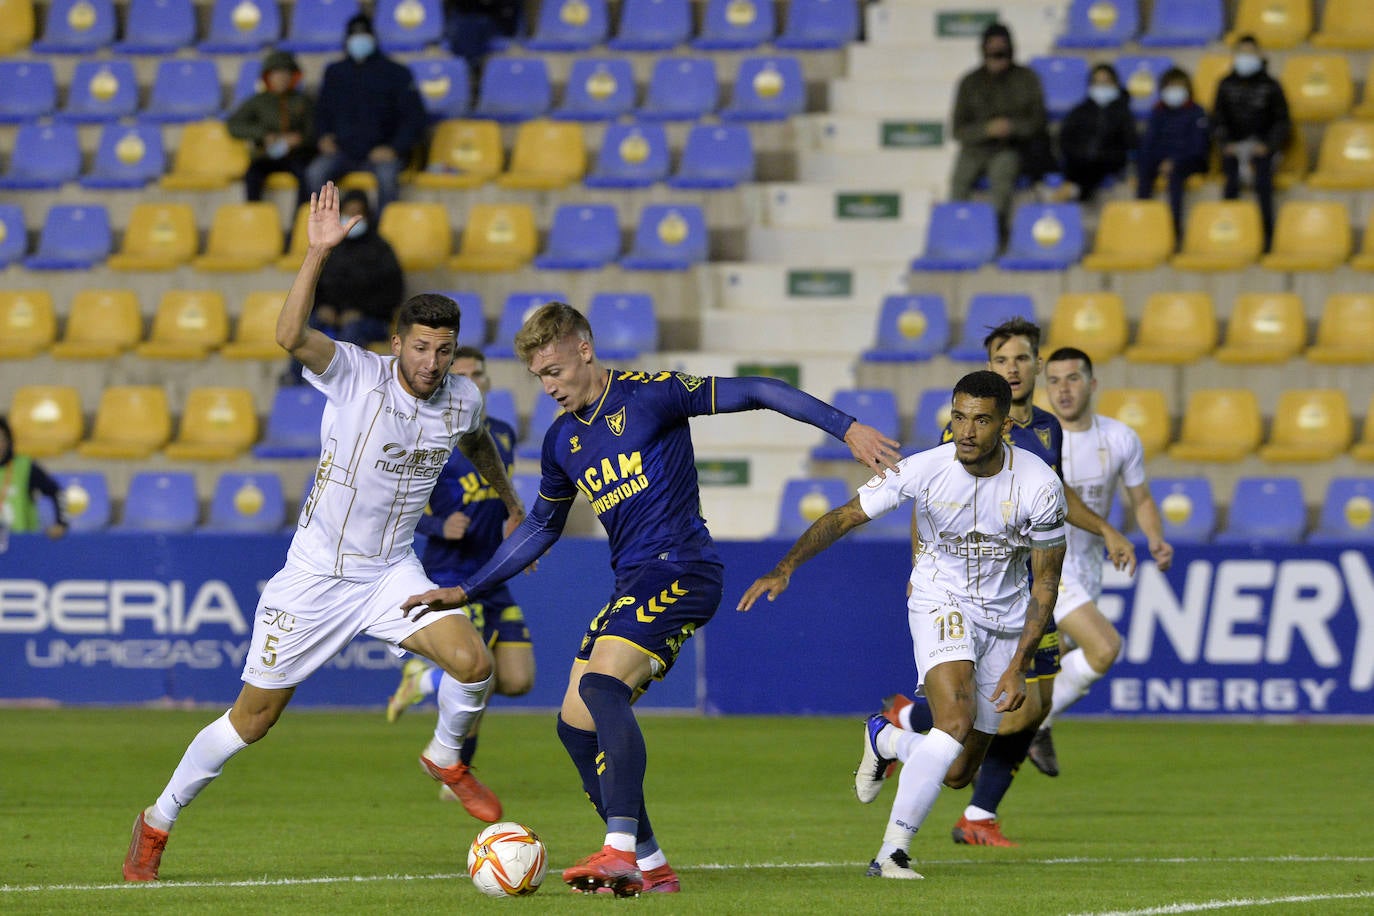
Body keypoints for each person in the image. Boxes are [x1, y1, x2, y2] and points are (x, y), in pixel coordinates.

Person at [399, 302, 902, 896]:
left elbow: (759, 390)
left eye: (556, 370)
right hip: (633, 581)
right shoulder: (563, 441)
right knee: (574, 727)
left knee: (601, 687)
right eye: (540, 377)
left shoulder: (651, 396)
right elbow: (540, 526)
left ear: (585, 349)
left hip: (684, 570)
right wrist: (466, 587)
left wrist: (847, 428)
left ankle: (617, 852)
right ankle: (653, 863)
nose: (550, 386)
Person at [121, 183, 526, 883]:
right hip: (315, 577)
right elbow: (287, 335)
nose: (432, 364)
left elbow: (480, 440)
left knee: (474, 662)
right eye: (422, 348)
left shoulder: (462, 396)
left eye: (444, 351)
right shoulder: (356, 374)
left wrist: (509, 499)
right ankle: (157, 821)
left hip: (390, 574)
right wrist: (315, 253)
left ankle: (446, 756)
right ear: (398, 342)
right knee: (251, 722)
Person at [740, 370, 1067, 880]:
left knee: (958, 772)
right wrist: (785, 566)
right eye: (959, 416)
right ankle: (892, 852)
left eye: (981, 420)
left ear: (1005, 426)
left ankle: (887, 740)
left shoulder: (1041, 485)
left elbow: (1046, 583)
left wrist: (1021, 663)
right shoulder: (925, 468)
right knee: (954, 722)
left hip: (1005, 620)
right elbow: (846, 516)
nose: (966, 430)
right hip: (940, 599)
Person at [879, 317, 1135, 847]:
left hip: (1033, 583)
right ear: (989, 367)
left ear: (1035, 365)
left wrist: (1106, 528)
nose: (1011, 369)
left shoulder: (1048, 428)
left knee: (1031, 711)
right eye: (1001, 360)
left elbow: (1057, 496)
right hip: (986, 589)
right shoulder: (967, 429)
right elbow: (932, 499)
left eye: (1020, 359)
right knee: (1015, 710)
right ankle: (913, 726)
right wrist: (919, 560)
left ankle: (971, 805)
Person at [385, 346, 534, 796]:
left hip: (493, 574)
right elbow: (397, 504)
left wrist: (518, 525)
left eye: (479, 373)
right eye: (462, 372)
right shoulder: (434, 434)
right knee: (478, 673)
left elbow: (502, 495)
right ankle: (456, 772)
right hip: (451, 574)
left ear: (486, 382)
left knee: (517, 680)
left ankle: (426, 679)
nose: (473, 380)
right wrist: (437, 525)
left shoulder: (503, 434)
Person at [1026, 348, 1174, 776]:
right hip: (1046, 566)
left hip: (1088, 567)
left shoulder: (1120, 438)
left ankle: (989, 735)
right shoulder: (1036, 437)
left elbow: (1140, 497)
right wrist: (1109, 530)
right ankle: (1030, 725)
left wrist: (1155, 538)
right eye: (1053, 381)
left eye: (1072, 379)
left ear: (1092, 385)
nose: (1063, 389)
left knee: (1052, 668)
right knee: (1104, 647)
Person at [305, 14, 427, 213]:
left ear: (373, 37)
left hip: (382, 152)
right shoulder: (335, 73)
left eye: (364, 35)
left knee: (387, 179)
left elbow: (414, 118)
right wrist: (323, 136)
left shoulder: (396, 72)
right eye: (354, 36)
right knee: (315, 173)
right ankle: (327, 233)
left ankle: (380, 236)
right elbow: (322, 111)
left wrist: (394, 148)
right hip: (342, 151)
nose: (359, 41)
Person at [949, 22, 1049, 235]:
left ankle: (993, 234)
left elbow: (1038, 121)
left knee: (1001, 181)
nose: (997, 52)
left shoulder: (1027, 78)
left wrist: (1011, 128)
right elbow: (958, 130)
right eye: (992, 47)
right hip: (975, 149)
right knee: (958, 184)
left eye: (1001, 47)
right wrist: (986, 130)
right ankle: (957, 233)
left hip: (1010, 147)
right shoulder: (969, 82)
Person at [1212, 35, 1291, 252]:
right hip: (1233, 148)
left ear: (1259, 55)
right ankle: (1230, 234)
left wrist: (1268, 145)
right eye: (1242, 52)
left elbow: (1282, 121)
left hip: (1262, 147)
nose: (1246, 57)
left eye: (1250, 52)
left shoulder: (1272, 86)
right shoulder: (1225, 85)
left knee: (1263, 182)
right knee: (1231, 181)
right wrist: (1226, 143)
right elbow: (1217, 120)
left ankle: (1267, 236)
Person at [312, 189, 405, 350]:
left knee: (350, 333)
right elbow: (315, 283)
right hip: (332, 316)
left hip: (370, 319)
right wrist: (322, 307)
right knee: (306, 329)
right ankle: (295, 376)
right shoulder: (331, 247)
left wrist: (360, 312)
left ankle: (344, 376)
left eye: (357, 213)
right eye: (348, 213)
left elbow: (392, 292)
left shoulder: (381, 249)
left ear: (367, 216)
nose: (352, 219)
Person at [226, 49, 314, 209]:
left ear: (293, 77)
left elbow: (314, 130)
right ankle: (256, 218)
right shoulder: (258, 101)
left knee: (307, 176)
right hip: (266, 155)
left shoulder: (303, 101)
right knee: (252, 175)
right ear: (268, 77)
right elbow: (233, 126)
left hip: (296, 156)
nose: (281, 78)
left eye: (286, 73)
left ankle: (301, 222)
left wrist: (299, 140)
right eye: (276, 73)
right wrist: (263, 135)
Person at [1135, 66, 1210, 240]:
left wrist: (1175, 160)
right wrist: (1153, 161)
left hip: (1189, 161)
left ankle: (1174, 230)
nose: (1174, 91)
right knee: (1144, 169)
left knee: (1176, 176)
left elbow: (1198, 147)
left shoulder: (1197, 112)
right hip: (1162, 159)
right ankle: (1141, 221)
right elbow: (1148, 143)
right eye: (1170, 86)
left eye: (1179, 86)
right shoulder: (1158, 111)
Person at [1055, 63, 1137, 203]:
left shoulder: (1123, 112)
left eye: (1106, 82)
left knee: (1096, 161)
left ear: (1115, 84)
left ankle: (1075, 189)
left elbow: (1130, 141)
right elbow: (1065, 138)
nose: (1101, 87)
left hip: (1109, 160)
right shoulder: (1080, 111)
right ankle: (1073, 188)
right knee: (1076, 161)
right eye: (1097, 83)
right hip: (1079, 159)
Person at [0, 415, 68, 548]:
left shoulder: (24, 467)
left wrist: (61, 523)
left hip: (24, 545)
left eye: (1, 439)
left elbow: (57, 492)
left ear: (9, 441)